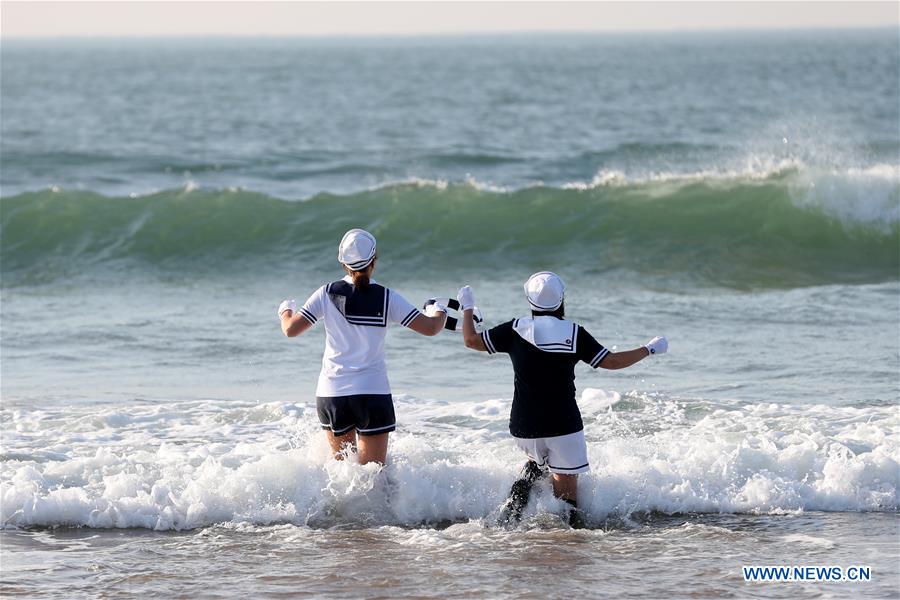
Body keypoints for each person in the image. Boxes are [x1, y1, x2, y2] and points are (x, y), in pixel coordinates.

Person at [457, 273, 667, 527]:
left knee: (538, 458)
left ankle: (525, 485)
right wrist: (649, 349)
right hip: (563, 426)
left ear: (529, 300)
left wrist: (468, 308)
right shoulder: (574, 333)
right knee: (567, 501)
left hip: (524, 428)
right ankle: (567, 534)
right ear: (561, 300)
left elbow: (471, 340)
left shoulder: (515, 329)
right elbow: (611, 362)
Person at [278, 228, 448, 466]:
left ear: (343, 264)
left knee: (342, 475)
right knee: (373, 477)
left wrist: (285, 310)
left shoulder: (325, 293)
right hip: (372, 393)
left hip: (332, 393)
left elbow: (290, 329)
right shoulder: (387, 297)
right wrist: (439, 310)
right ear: (374, 261)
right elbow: (431, 327)